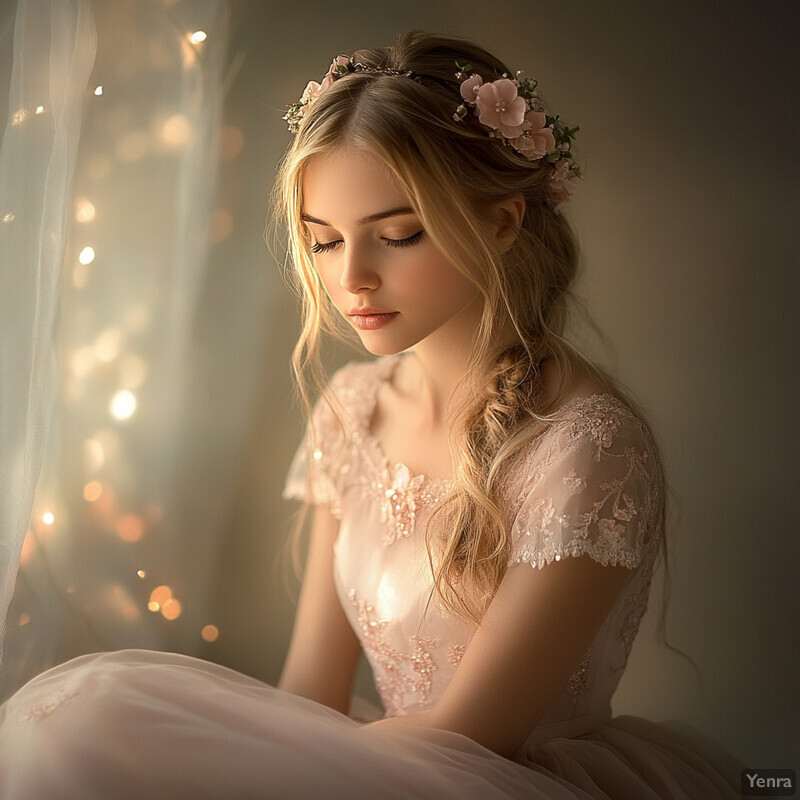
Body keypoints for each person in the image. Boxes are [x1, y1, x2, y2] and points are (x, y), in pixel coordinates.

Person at [0, 31, 752, 800]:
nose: (352, 277)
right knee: (78, 729)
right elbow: (307, 698)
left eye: (397, 236)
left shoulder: (588, 447)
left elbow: (471, 739)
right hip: (367, 767)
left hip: (493, 782)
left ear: (502, 221)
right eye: (323, 242)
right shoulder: (353, 411)